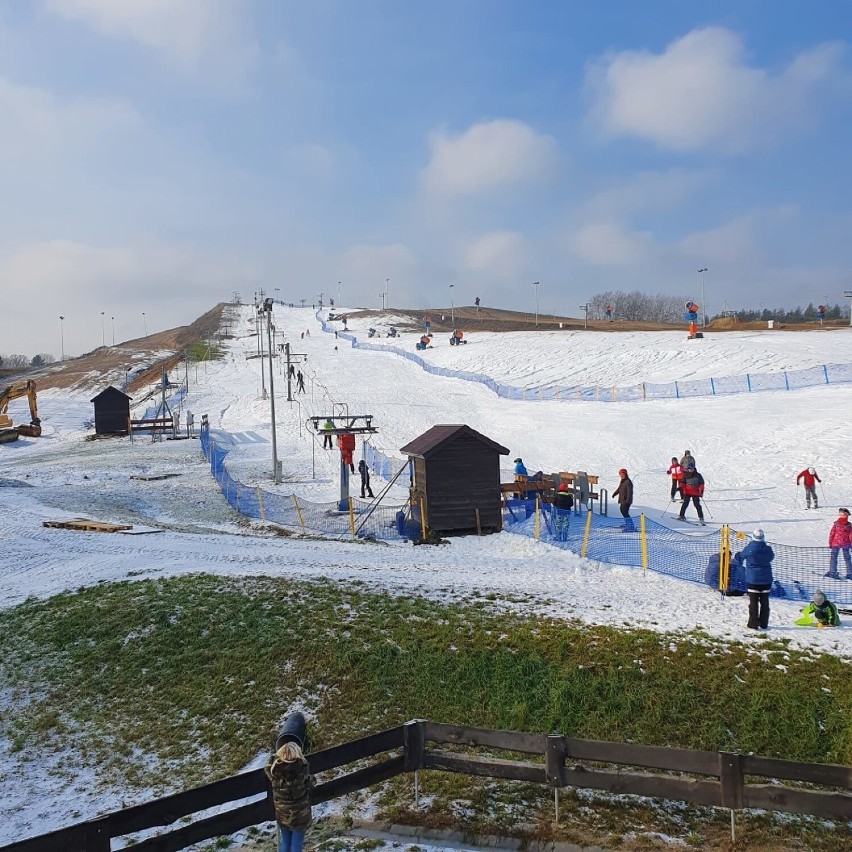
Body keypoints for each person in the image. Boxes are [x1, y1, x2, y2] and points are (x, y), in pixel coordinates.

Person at [265, 741, 314, 852]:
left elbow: (267, 767)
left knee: (286, 843)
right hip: (300, 816)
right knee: (296, 846)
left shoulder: (274, 773)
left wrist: (275, 757)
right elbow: (311, 784)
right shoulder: (302, 770)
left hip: (283, 815)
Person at [738, 529, 775, 630]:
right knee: (765, 602)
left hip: (753, 580)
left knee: (753, 602)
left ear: (753, 537)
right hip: (766, 579)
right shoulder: (768, 549)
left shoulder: (750, 548)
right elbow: (771, 557)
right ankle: (763, 623)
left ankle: (753, 624)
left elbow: (741, 556)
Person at [825, 507, 852, 579]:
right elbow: (851, 536)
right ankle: (850, 573)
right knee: (847, 558)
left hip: (836, 543)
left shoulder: (836, 524)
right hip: (846, 543)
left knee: (833, 557)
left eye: (841, 514)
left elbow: (832, 533)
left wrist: (830, 542)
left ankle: (832, 572)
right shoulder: (849, 525)